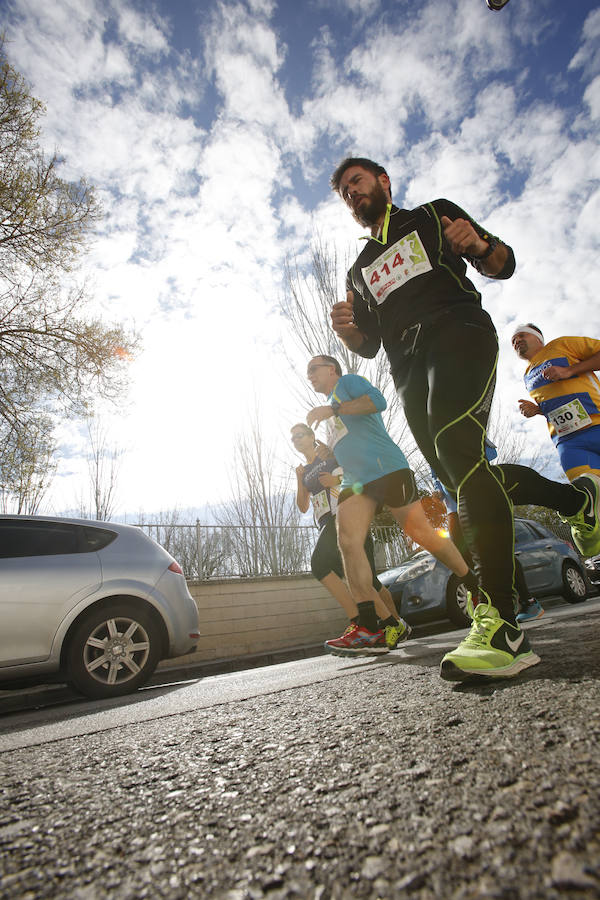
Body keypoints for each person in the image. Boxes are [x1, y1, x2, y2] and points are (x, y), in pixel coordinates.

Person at [328, 156, 600, 681]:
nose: (351, 194)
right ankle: (578, 504)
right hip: (407, 369)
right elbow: (368, 345)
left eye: (356, 182)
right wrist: (349, 335)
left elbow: (502, 262)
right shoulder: (358, 269)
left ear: (383, 181)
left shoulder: (432, 216)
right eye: (343, 192)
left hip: (459, 336)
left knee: (459, 452)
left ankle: (503, 624)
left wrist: (477, 247)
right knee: (461, 478)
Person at [304, 354, 477, 656]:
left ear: (331, 369)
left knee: (424, 535)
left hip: (386, 469)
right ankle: (369, 627)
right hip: (356, 482)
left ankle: (476, 586)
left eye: (313, 369)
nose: (309, 376)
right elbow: (349, 440)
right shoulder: (330, 409)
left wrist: (333, 408)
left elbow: (378, 402)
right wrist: (328, 452)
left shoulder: (347, 383)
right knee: (347, 541)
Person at [291, 421, 407, 653]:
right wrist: (299, 479)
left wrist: (335, 481)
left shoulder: (330, 456)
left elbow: (357, 478)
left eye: (301, 435)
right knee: (362, 579)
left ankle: (367, 623)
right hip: (325, 523)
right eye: (293, 438)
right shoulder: (303, 472)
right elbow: (303, 506)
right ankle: (391, 625)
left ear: (312, 435)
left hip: (344, 515)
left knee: (325, 566)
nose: (297, 440)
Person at [431, 440, 545, 623]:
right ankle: (491, 600)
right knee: (463, 555)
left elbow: (489, 454)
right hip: (453, 508)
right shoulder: (429, 443)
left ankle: (528, 601)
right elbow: (437, 478)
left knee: (497, 551)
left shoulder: (453, 429)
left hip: (477, 500)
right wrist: (438, 492)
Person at [512, 323, 600, 482]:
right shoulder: (527, 375)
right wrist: (537, 410)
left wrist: (569, 370)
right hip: (569, 442)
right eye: (513, 341)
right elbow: (554, 400)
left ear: (538, 338)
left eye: (522, 335)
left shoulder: (560, 345)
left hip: (597, 424)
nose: (516, 341)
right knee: (589, 492)